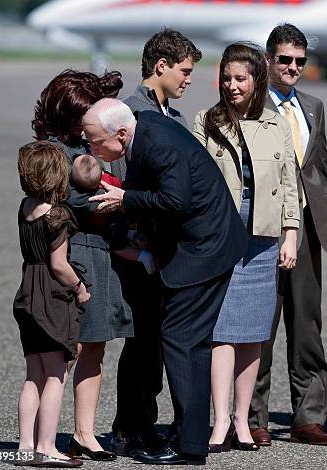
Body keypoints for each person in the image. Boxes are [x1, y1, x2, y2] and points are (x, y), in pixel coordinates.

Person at [82, 98, 248, 465]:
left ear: (121, 134)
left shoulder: (156, 143)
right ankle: (189, 432)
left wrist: (126, 198)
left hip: (205, 250)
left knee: (183, 340)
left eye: (95, 142)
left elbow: (175, 200)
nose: (91, 149)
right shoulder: (144, 130)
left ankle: (189, 446)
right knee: (186, 340)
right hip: (203, 244)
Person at [192, 42, 299, 452]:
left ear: (257, 81)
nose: (232, 85)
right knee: (222, 332)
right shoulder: (207, 120)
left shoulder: (276, 123)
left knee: (253, 332)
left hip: (264, 235)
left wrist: (291, 232)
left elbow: (290, 183)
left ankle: (242, 421)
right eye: (227, 77)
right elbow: (197, 180)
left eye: (241, 78)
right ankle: (218, 421)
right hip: (222, 234)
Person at [249, 23, 327, 447]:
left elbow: (320, 169)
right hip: (263, 229)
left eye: (300, 62)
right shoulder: (250, 106)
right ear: (268, 60)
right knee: (260, 324)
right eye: (285, 60)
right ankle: (253, 415)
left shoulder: (312, 107)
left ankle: (308, 417)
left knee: (307, 325)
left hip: (306, 228)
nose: (292, 68)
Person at [111, 28, 202, 456]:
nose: (188, 79)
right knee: (141, 343)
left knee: (159, 346)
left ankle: (146, 422)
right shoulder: (130, 115)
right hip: (137, 247)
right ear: (160, 66)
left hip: (168, 252)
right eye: (184, 71)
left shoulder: (177, 120)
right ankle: (130, 429)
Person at [32, 69, 131, 460]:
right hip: (73, 254)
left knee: (94, 347)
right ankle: (41, 439)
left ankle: (84, 433)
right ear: (63, 112)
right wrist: (116, 197)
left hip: (99, 252)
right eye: (79, 115)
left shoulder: (86, 143)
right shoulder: (52, 151)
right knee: (66, 351)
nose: (86, 122)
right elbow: (58, 202)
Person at [13, 141, 90, 468]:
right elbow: (59, 264)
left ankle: (25, 446)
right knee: (56, 375)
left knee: (34, 374)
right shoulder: (58, 215)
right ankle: (46, 446)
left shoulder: (25, 207)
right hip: (51, 296)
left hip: (27, 293)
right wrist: (79, 287)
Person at [70, 154, 156, 274]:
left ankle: (142, 257)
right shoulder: (110, 179)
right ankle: (132, 235)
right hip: (121, 216)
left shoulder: (90, 197)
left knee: (117, 247)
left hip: (109, 226)